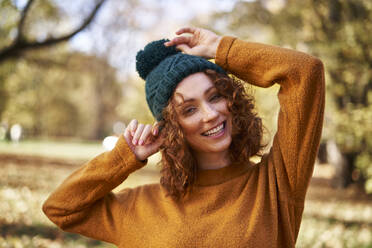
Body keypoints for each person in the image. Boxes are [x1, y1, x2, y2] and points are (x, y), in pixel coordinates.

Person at [42, 27, 325, 247]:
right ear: (173, 127)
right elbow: (61, 208)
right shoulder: (141, 206)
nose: (211, 114)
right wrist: (123, 157)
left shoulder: (278, 184)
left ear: (231, 99)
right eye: (189, 109)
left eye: (215, 96)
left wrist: (220, 48)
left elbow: (304, 73)